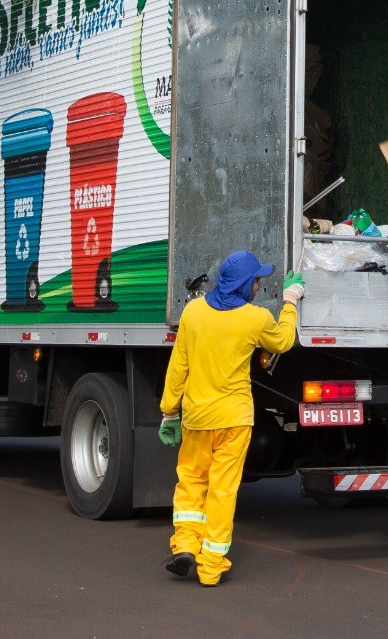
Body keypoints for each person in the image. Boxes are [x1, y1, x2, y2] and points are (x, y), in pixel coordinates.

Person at [158, 251, 304, 586]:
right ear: (243, 284)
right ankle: (211, 567)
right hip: (235, 420)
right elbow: (283, 340)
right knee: (223, 490)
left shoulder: (193, 312)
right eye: (256, 280)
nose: (258, 286)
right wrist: (291, 300)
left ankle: (185, 545)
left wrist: (169, 411)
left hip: (197, 418)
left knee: (191, 482)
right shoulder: (254, 318)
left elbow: (178, 366)